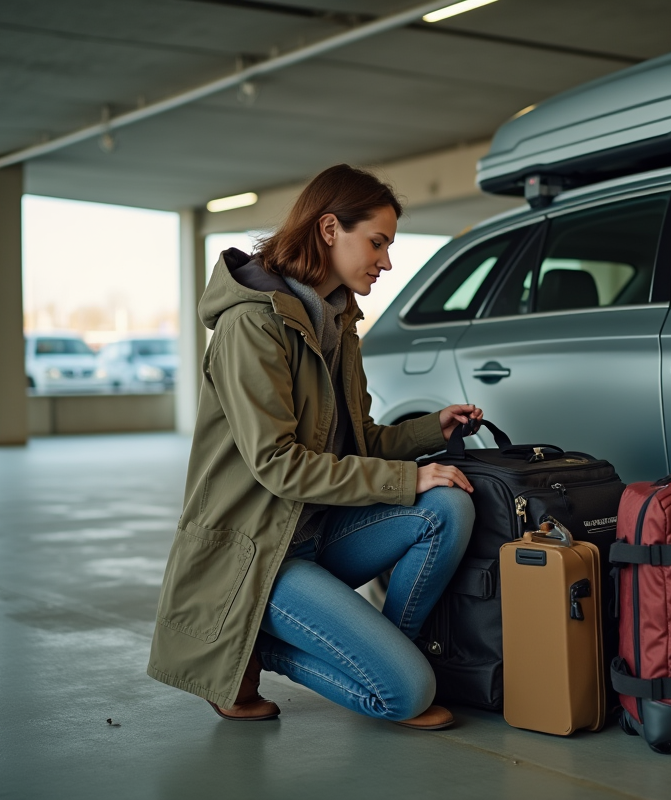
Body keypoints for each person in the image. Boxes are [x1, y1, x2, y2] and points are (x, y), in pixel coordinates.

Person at [147, 164, 480, 731]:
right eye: (377, 242)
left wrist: (432, 432)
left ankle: (386, 657)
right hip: (259, 559)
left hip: (319, 532)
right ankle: (245, 643)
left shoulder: (335, 321)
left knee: (447, 506)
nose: (387, 260)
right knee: (405, 695)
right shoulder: (252, 325)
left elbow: (362, 441)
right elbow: (278, 464)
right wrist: (408, 479)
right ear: (330, 229)